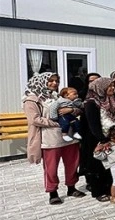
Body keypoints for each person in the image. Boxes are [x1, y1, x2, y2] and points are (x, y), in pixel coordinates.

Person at [23, 72, 86, 204]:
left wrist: (71, 111)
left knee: (72, 163)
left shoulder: (58, 96)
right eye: (50, 81)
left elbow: (77, 109)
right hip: (51, 139)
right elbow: (34, 119)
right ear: (41, 82)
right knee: (51, 167)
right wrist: (56, 123)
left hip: (69, 136)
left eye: (56, 81)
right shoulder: (32, 99)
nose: (54, 83)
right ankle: (52, 191)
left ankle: (71, 187)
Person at [83, 77, 115, 201]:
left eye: (113, 86)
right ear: (100, 87)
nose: (112, 89)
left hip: (114, 137)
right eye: (109, 86)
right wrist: (102, 140)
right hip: (97, 138)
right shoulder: (91, 103)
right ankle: (98, 191)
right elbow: (93, 124)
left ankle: (110, 188)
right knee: (98, 166)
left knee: (112, 164)